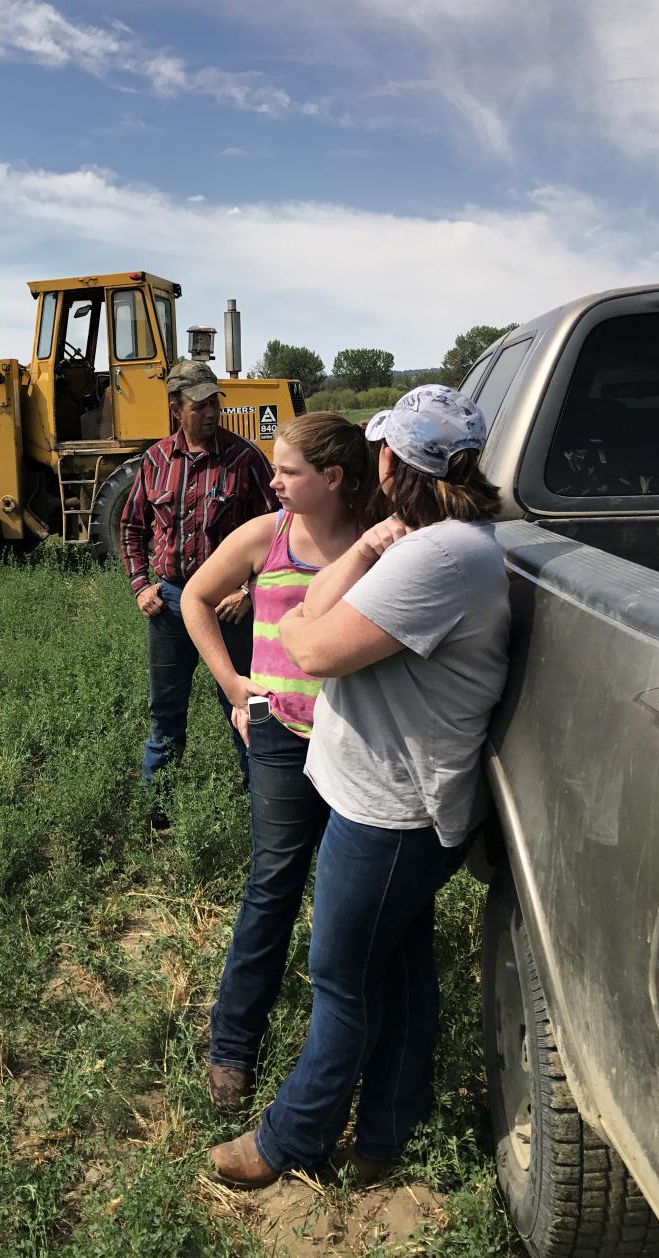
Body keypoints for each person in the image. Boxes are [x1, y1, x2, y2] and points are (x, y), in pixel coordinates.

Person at [207, 384, 510, 1188]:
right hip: (392, 798)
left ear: (393, 459)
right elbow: (310, 607)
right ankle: (383, 1140)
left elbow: (310, 643)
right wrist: (367, 550)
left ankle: (286, 1142)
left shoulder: (440, 558)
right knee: (401, 975)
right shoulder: (437, 544)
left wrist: (314, 618)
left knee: (339, 978)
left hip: (390, 810)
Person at [177, 413, 382, 1112]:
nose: (273, 481)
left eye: (288, 471)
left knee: (348, 896)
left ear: (333, 479)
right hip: (279, 737)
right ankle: (233, 1044)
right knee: (274, 883)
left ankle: (355, 1046)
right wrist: (233, 685)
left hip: (359, 744)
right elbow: (197, 599)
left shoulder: (375, 542)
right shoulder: (268, 535)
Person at [119, 372, 279, 795]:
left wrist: (249, 591)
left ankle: (262, 799)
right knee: (166, 707)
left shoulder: (244, 459)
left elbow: (279, 533)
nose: (211, 413)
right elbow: (132, 526)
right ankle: (159, 808)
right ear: (177, 409)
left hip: (228, 606)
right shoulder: (154, 461)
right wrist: (141, 586)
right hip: (170, 603)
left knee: (247, 701)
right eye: (199, 406)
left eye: (214, 404)